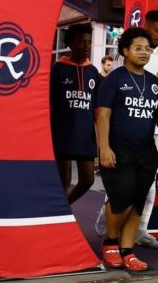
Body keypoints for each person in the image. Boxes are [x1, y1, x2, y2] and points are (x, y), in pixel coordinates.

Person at [97, 10, 158, 249]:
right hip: (119, 149)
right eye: (138, 48)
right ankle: (110, 242)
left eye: (147, 49)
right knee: (122, 197)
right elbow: (103, 115)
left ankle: (127, 250)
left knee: (139, 200)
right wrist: (104, 148)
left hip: (146, 152)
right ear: (125, 51)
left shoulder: (155, 82)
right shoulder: (114, 79)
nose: (144, 53)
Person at [50, 23, 100, 204]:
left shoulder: (93, 72)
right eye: (81, 42)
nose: (86, 47)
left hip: (85, 136)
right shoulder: (58, 69)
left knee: (88, 180)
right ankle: (58, 218)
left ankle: (63, 209)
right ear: (70, 43)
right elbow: (50, 104)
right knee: (64, 181)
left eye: (89, 42)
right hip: (62, 134)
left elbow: (97, 108)